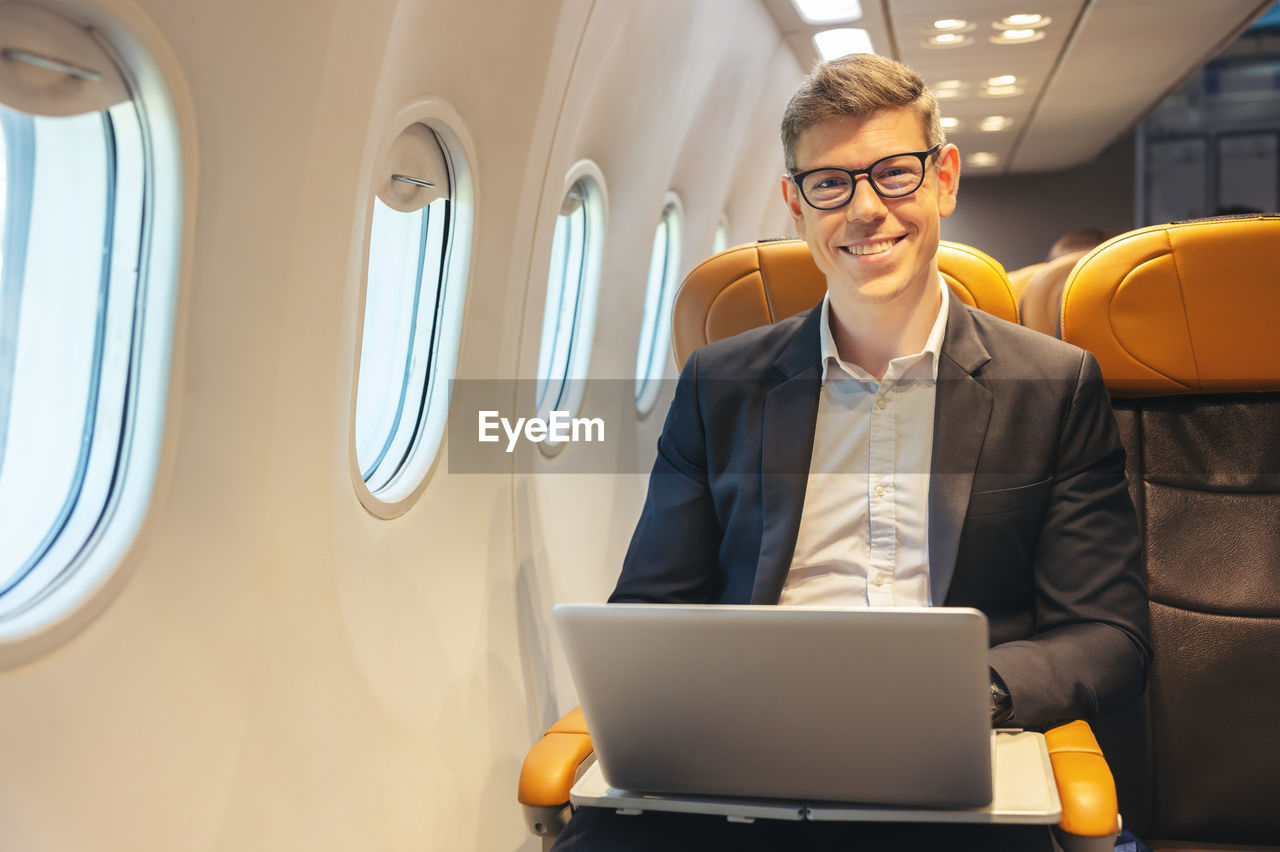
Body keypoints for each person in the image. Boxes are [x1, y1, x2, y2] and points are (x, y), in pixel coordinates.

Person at [553, 53, 1150, 851]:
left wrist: (974, 693)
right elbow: (648, 609)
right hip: (746, 760)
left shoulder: (1052, 385)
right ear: (796, 207)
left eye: (894, 174)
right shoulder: (718, 385)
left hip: (952, 768)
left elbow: (1108, 634)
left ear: (944, 179)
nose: (866, 209)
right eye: (831, 184)